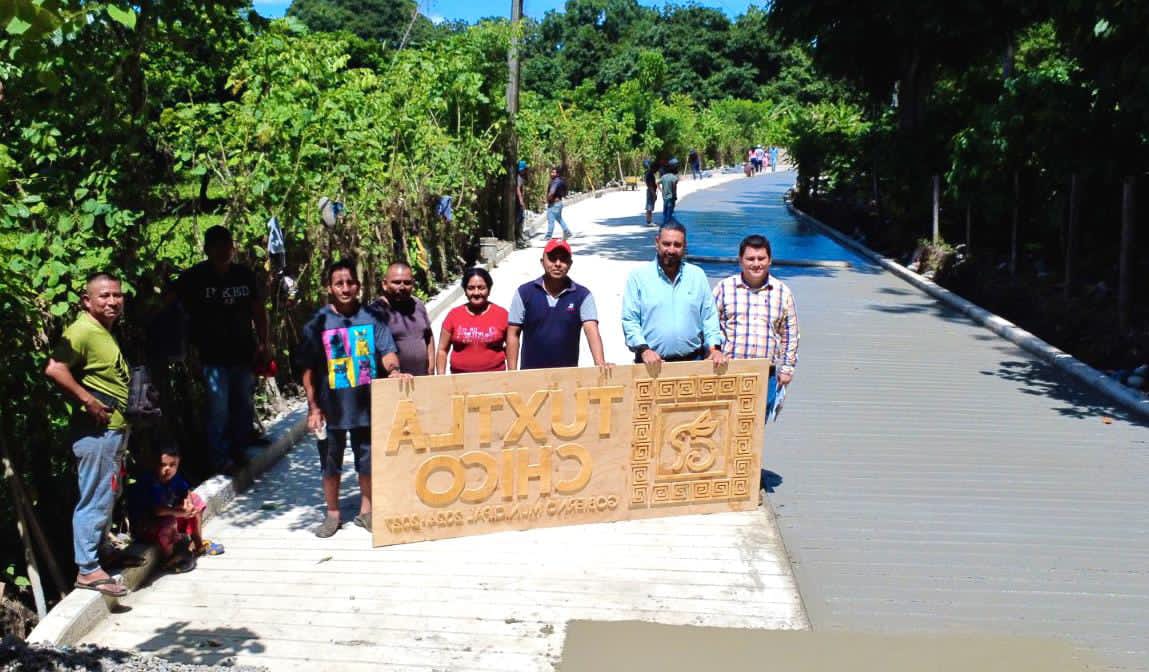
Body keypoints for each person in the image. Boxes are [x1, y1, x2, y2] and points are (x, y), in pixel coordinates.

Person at [300, 260, 405, 538]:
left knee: (367, 461)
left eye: (350, 283)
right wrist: (313, 408)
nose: (345, 288)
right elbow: (308, 370)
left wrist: (394, 370)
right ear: (329, 287)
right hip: (330, 409)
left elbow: (387, 351)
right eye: (339, 283)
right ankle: (333, 514)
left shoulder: (372, 317)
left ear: (358, 285)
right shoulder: (317, 322)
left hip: (366, 407)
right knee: (329, 462)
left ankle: (366, 511)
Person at [44, 272, 132, 597]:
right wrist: (87, 400)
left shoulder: (102, 330)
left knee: (108, 494)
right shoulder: (81, 330)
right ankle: (87, 569)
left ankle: (101, 553)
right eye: (104, 296)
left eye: (117, 295)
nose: (112, 301)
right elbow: (54, 368)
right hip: (96, 433)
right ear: (87, 301)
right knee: (94, 496)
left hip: (113, 430)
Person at [176, 226, 269, 475]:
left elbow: (258, 310)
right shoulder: (194, 278)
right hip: (211, 356)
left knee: (243, 402)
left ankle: (240, 449)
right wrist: (187, 352)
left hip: (243, 352)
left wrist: (264, 343)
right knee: (218, 409)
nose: (223, 250)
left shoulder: (244, 275)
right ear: (207, 249)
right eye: (217, 246)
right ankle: (220, 458)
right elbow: (178, 312)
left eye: (227, 245)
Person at [713, 234, 800, 419]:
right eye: (750, 259)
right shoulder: (724, 288)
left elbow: (790, 334)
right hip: (727, 371)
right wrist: (713, 352)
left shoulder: (782, 292)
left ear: (770, 260)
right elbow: (709, 325)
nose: (756, 264)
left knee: (755, 426)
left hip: (764, 373)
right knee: (723, 425)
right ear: (740, 261)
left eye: (761, 258)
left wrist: (787, 368)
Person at [621, 223, 726, 368]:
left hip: (693, 362)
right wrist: (644, 350)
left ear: (684, 246)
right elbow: (630, 320)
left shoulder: (697, 276)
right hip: (650, 364)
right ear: (657, 243)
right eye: (666, 244)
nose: (671, 250)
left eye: (677, 245)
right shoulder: (638, 277)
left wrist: (714, 349)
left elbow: (709, 317)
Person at [506, 239, 608, 371]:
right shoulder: (524, 293)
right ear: (542, 262)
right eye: (552, 258)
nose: (558, 264)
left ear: (570, 264)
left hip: (567, 375)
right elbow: (513, 334)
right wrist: (512, 373)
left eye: (563, 259)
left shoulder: (583, 295)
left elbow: (591, 330)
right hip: (530, 375)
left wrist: (600, 363)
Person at [131, 445, 224, 574]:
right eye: (163, 465)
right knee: (169, 521)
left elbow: (186, 491)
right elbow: (157, 510)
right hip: (146, 526)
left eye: (172, 465)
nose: (167, 469)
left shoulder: (174, 477)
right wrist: (181, 512)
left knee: (195, 501)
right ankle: (169, 558)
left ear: (178, 464)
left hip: (166, 516)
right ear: (155, 464)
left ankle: (198, 545)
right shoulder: (150, 481)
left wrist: (188, 503)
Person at [437, 268, 509, 374]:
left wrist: (511, 374)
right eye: (471, 288)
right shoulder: (453, 315)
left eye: (481, 288)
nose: (476, 293)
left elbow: (511, 346)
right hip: (460, 379)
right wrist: (441, 378)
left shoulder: (502, 314)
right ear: (465, 291)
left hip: (495, 378)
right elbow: (442, 350)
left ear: (489, 289)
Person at [371, 262, 435, 376]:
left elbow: (428, 336)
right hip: (394, 381)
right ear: (384, 284)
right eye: (396, 282)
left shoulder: (418, 305)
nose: (402, 287)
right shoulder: (375, 312)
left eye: (407, 283)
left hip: (422, 379)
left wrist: (431, 367)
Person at [545, 165, 571, 240]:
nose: (552, 174)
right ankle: (567, 232)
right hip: (559, 203)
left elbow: (552, 192)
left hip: (554, 204)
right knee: (559, 219)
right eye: (551, 172)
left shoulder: (555, 182)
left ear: (557, 174)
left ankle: (548, 236)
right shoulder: (560, 181)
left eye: (553, 172)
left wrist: (548, 199)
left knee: (550, 219)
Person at [659, 159, 680, 227]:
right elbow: (674, 187)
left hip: (665, 197)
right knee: (670, 210)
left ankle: (664, 223)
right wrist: (674, 195)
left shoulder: (663, 177)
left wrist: (661, 190)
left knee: (665, 211)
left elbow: (657, 183)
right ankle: (669, 224)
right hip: (671, 197)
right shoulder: (674, 177)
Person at [515, 160, 529, 245]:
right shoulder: (518, 178)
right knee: (519, 219)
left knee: (521, 218)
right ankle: (518, 236)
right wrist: (521, 200)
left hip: (520, 202)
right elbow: (518, 189)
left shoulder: (521, 177)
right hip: (518, 203)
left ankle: (520, 236)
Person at [642, 159, 658, 226]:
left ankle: (649, 221)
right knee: (649, 206)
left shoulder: (648, 173)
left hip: (651, 190)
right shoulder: (649, 174)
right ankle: (649, 222)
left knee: (650, 206)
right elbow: (650, 185)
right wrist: (654, 194)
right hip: (651, 191)